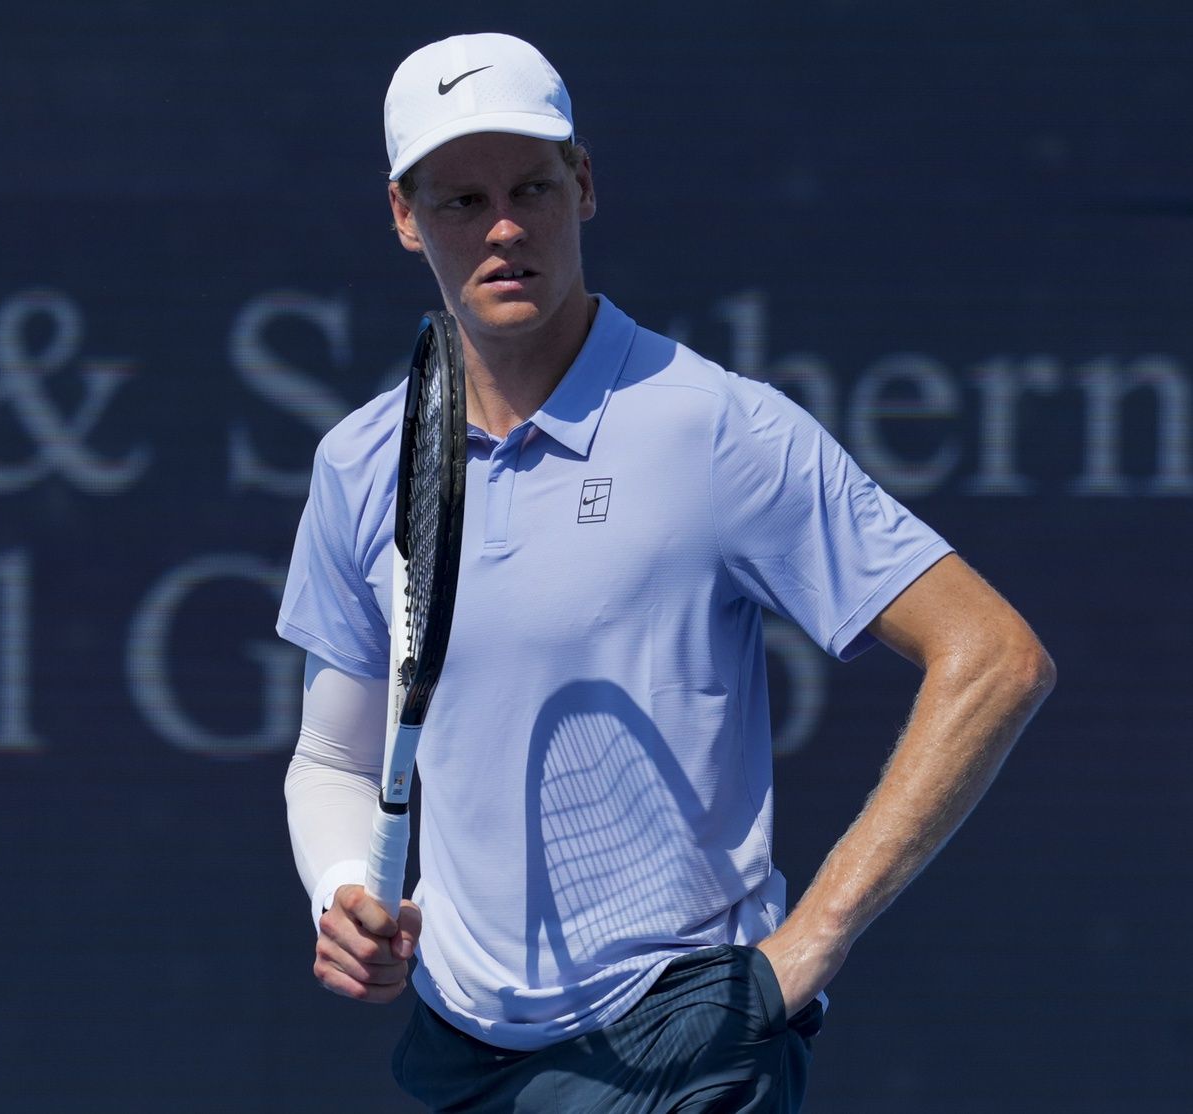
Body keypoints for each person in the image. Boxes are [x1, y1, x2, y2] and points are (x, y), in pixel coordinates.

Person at [277, 32, 1054, 1113]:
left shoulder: (718, 429)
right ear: (405, 216)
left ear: (583, 186)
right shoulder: (361, 462)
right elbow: (331, 755)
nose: (503, 227)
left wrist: (808, 945)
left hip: (686, 1045)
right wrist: (343, 888)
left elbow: (993, 656)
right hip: (466, 1050)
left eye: (531, 187)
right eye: (460, 201)